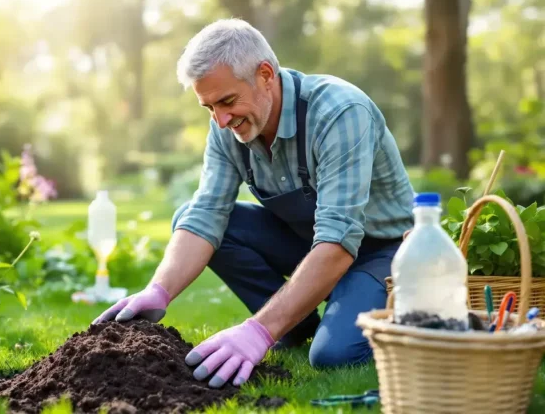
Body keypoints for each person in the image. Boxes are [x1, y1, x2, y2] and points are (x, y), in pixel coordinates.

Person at [92, 19, 415, 388]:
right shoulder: (227, 125)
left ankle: (366, 314)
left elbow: (339, 241)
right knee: (196, 219)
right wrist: (159, 290)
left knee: (334, 355)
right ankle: (295, 325)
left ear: (265, 75)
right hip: (309, 239)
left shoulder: (338, 113)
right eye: (209, 107)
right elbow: (207, 212)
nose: (221, 119)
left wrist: (257, 331)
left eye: (228, 101)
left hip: (383, 251)